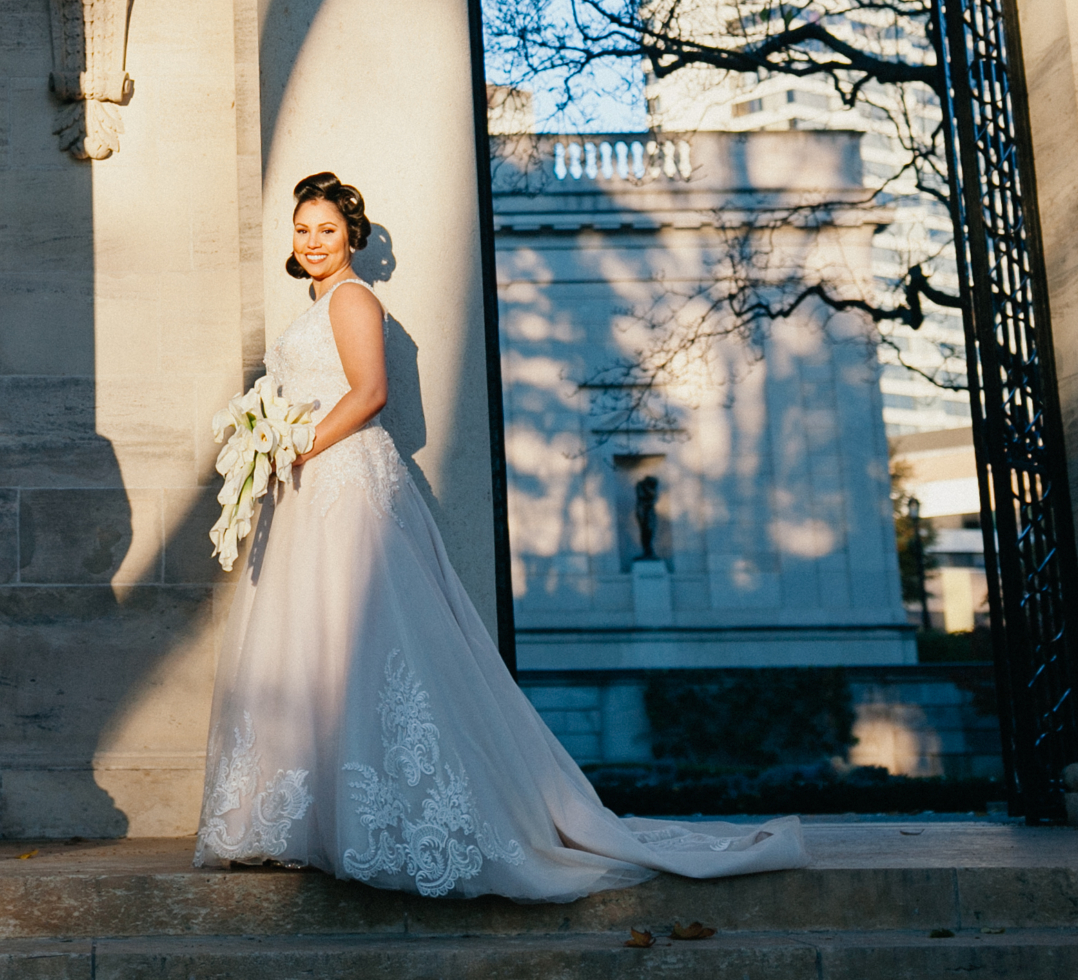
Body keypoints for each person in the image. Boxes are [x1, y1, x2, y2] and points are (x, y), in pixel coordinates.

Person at [193, 171, 805, 900]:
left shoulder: (354, 298)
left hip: (342, 480)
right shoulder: (317, 303)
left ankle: (389, 818)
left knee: (369, 644)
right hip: (311, 486)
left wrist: (295, 445)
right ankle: (306, 820)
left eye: (326, 229)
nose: (313, 242)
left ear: (351, 235)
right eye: (302, 230)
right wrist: (270, 441)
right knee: (313, 650)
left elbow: (371, 393)